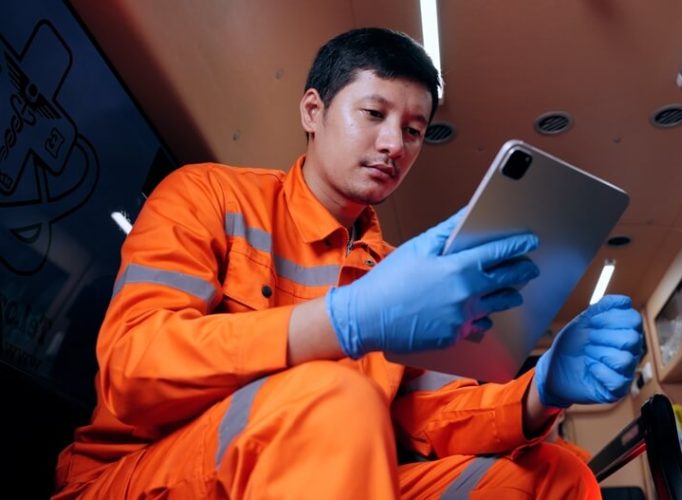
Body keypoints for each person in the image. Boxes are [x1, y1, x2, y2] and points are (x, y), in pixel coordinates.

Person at [53, 27, 643, 499]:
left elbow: (427, 418)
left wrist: (540, 390)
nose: (395, 144)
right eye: (374, 114)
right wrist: (344, 321)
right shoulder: (207, 196)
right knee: (335, 399)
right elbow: (133, 370)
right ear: (313, 110)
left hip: (335, 473)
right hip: (140, 476)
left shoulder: (396, 271)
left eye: (414, 130)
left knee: (556, 475)